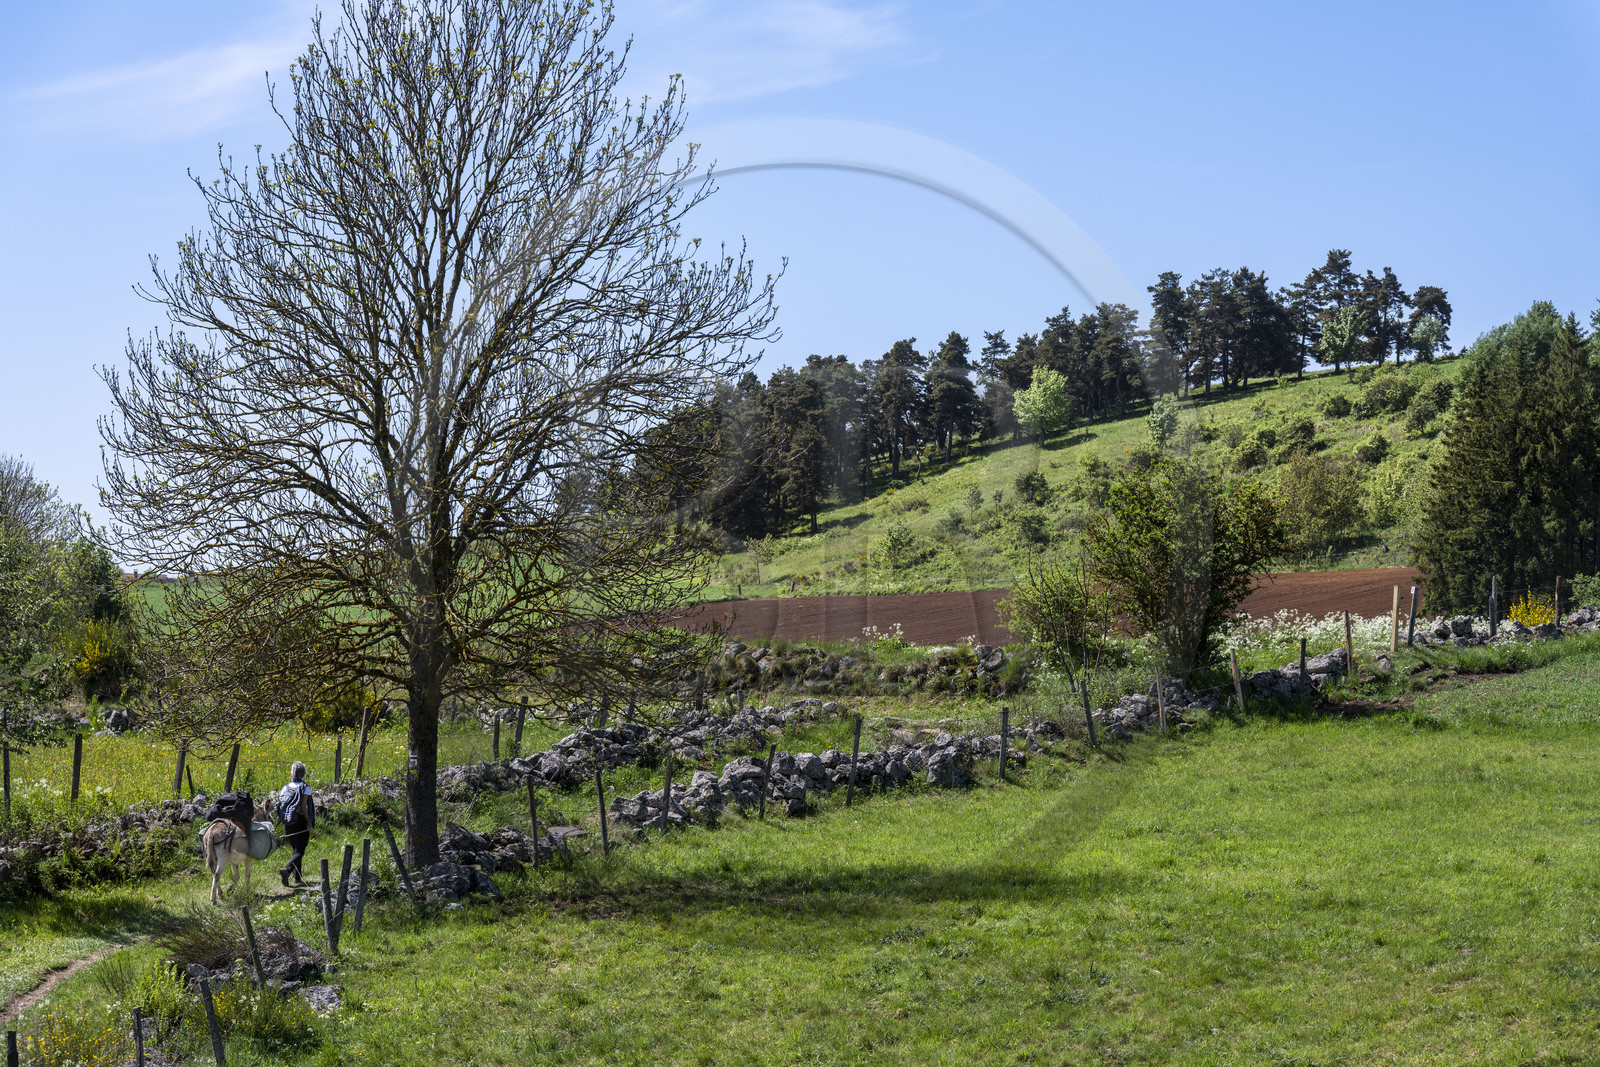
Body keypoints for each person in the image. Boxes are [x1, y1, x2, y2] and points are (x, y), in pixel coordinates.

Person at [276, 761, 316, 887]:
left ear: (292, 773)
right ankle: (287, 870)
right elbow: (303, 806)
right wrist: (308, 821)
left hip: (288, 821)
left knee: (295, 849)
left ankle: (297, 878)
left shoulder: (285, 787)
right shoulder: (305, 788)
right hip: (300, 821)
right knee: (300, 851)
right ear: (303, 773)